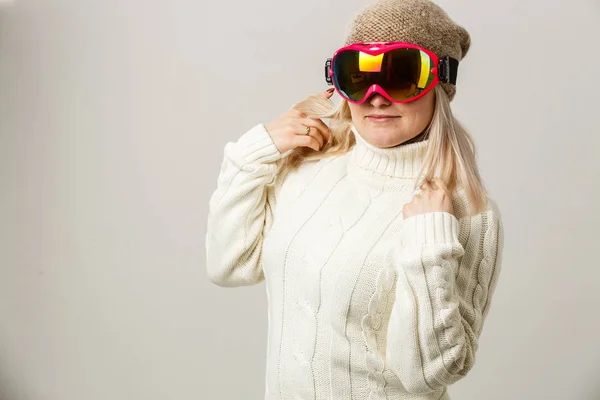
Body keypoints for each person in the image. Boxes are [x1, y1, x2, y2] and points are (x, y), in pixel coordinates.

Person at [205, 0, 504, 398]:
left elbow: (425, 375)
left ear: (439, 83)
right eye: (358, 76)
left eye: (400, 77)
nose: (376, 98)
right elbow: (229, 265)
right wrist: (249, 156)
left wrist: (429, 246)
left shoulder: (465, 212)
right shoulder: (307, 170)